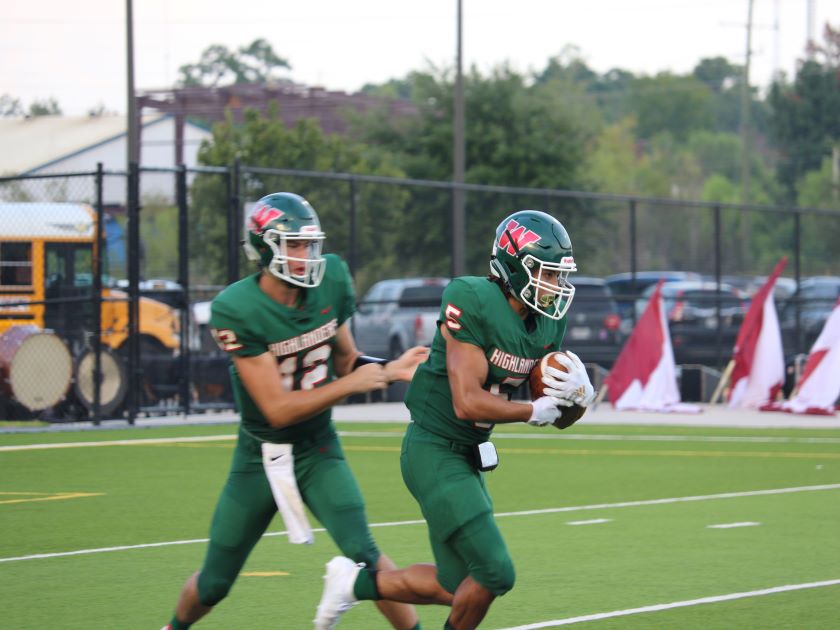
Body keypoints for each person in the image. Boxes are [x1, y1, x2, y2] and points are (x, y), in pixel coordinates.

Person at [313, 210, 596, 630]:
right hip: (432, 449)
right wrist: (529, 411)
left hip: (467, 455)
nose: (555, 285)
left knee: (454, 585)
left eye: (558, 275)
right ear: (516, 266)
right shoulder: (472, 298)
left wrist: (578, 399)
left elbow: (558, 418)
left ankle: (353, 584)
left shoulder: (548, 322)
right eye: (546, 273)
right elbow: (467, 402)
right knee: (497, 572)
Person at [163, 192, 425, 630]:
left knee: (365, 554)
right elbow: (277, 410)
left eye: (310, 245)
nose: (306, 256)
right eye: (295, 245)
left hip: (317, 447)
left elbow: (346, 361)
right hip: (259, 455)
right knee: (215, 583)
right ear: (265, 247)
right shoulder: (236, 308)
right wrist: (355, 382)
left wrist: (388, 370)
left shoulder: (334, 279)